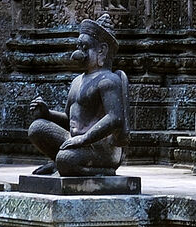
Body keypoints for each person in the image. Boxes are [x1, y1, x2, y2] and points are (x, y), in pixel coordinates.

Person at [26, 18, 128, 176]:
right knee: (36, 128)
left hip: (100, 147)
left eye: (85, 47)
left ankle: (101, 170)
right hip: (77, 141)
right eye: (78, 47)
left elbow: (115, 118)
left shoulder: (108, 80)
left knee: (66, 159)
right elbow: (69, 119)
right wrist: (47, 113)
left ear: (102, 51)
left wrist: (84, 139)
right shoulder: (77, 81)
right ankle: (59, 164)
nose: (79, 53)